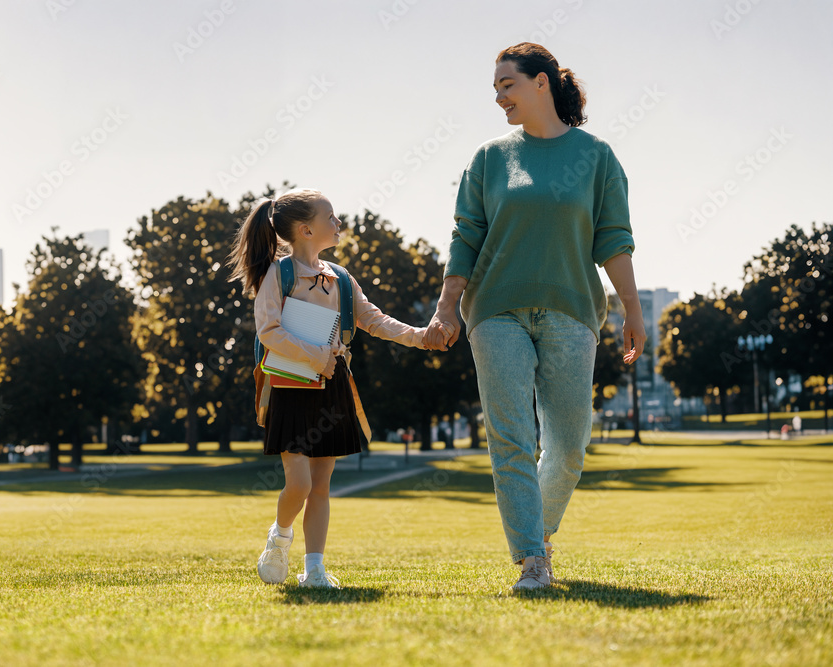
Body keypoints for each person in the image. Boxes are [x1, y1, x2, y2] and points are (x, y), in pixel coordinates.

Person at [425, 42, 646, 592]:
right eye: (496, 89)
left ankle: (537, 534)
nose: (500, 98)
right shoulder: (489, 158)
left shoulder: (596, 157)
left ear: (542, 82)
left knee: (569, 446)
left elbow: (613, 239)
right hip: (494, 308)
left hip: (572, 309)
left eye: (509, 85)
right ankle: (531, 559)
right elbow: (465, 237)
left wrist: (632, 312)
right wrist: (447, 305)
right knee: (512, 438)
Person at [227, 188, 448, 588]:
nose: (338, 223)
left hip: (332, 387)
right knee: (300, 484)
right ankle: (279, 537)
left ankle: (314, 569)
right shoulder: (279, 275)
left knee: (321, 487)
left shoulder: (341, 278)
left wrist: (421, 336)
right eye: (331, 217)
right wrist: (317, 356)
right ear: (306, 229)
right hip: (292, 387)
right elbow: (269, 332)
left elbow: (375, 320)